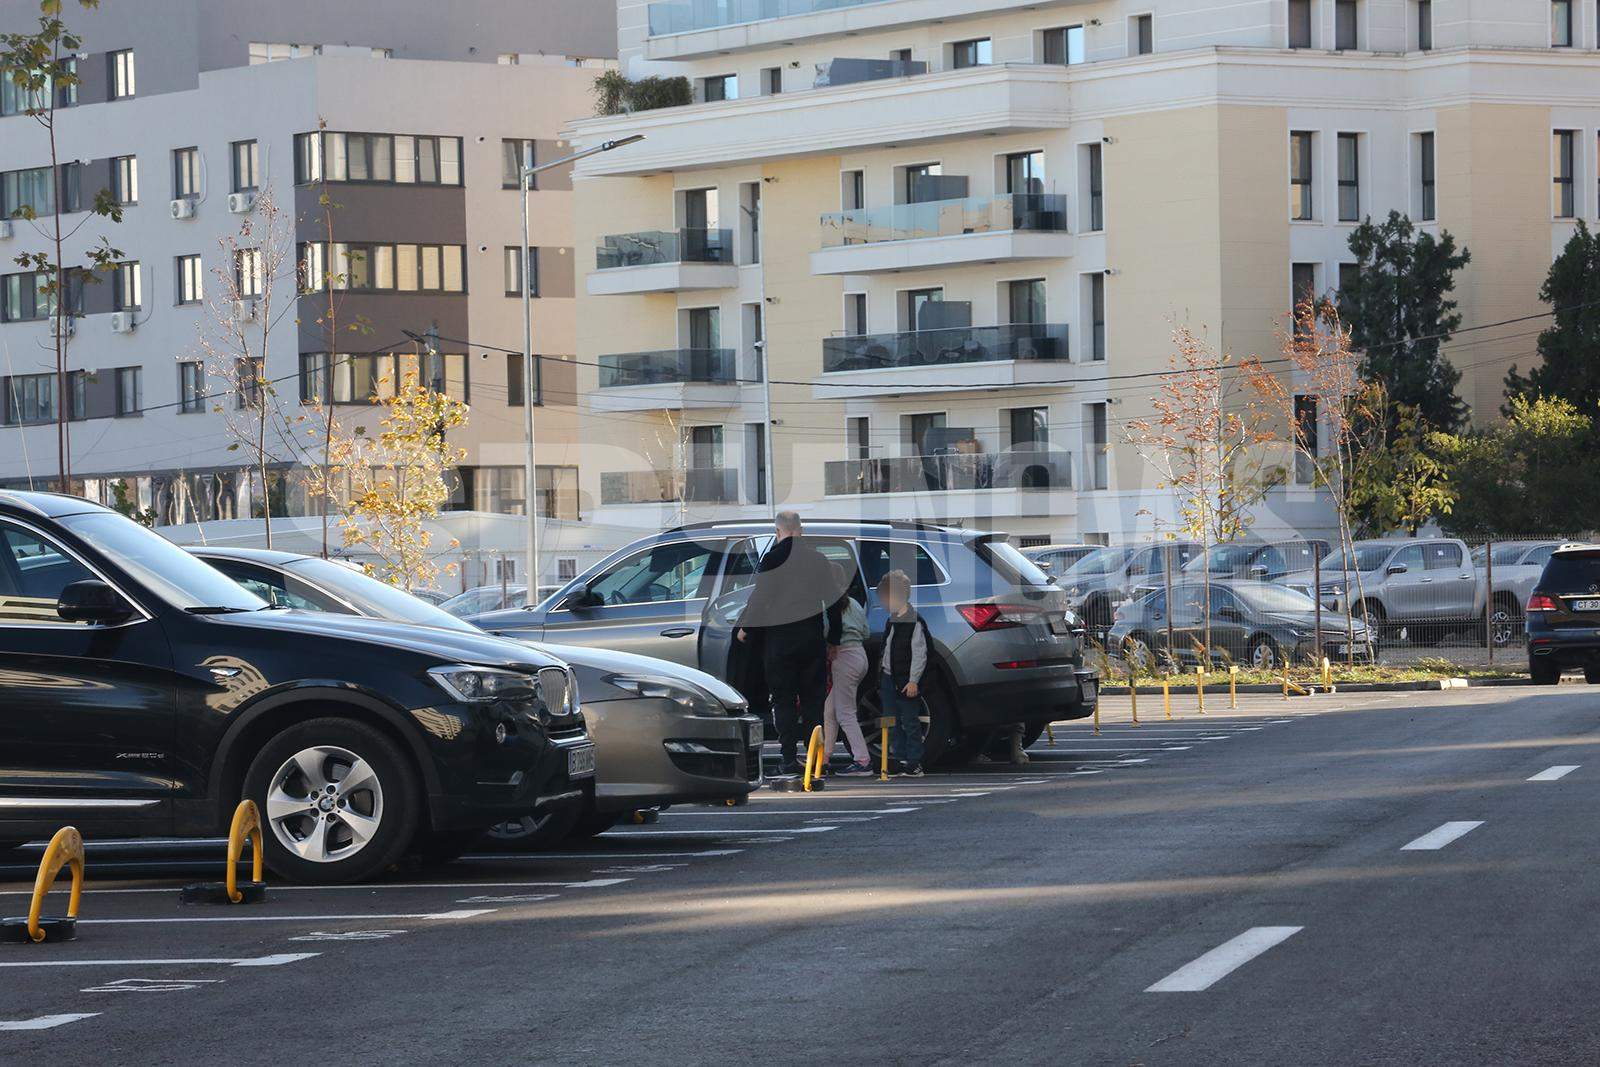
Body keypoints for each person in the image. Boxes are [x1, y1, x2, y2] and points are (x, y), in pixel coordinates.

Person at [737, 511, 842, 774]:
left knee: (783, 700)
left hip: (779, 641)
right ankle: (814, 758)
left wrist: (746, 627)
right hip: (811, 640)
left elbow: (761, 597)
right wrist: (834, 639)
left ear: (779, 532)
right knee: (812, 700)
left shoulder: (772, 559)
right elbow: (833, 601)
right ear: (800, 529)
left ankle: (787, 758)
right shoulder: (819, 560)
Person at [876, 568, 930, 778]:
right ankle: (897, 759)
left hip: (906, 680)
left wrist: (914, 680)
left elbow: (920, 654)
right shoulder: (892, 620)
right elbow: (886, 649)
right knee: (892, 720)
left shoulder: (914, 622)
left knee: (910, 721)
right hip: (889, 677)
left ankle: (914, 761)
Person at [822, 562, 874, 776]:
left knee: (845, 713)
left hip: (843, 657)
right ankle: (824, 757)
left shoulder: (827, 604)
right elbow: (866, 632)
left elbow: (826, 631)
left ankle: (862, 760)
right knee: (830, 710)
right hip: (860, 655)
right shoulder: (853, 602)